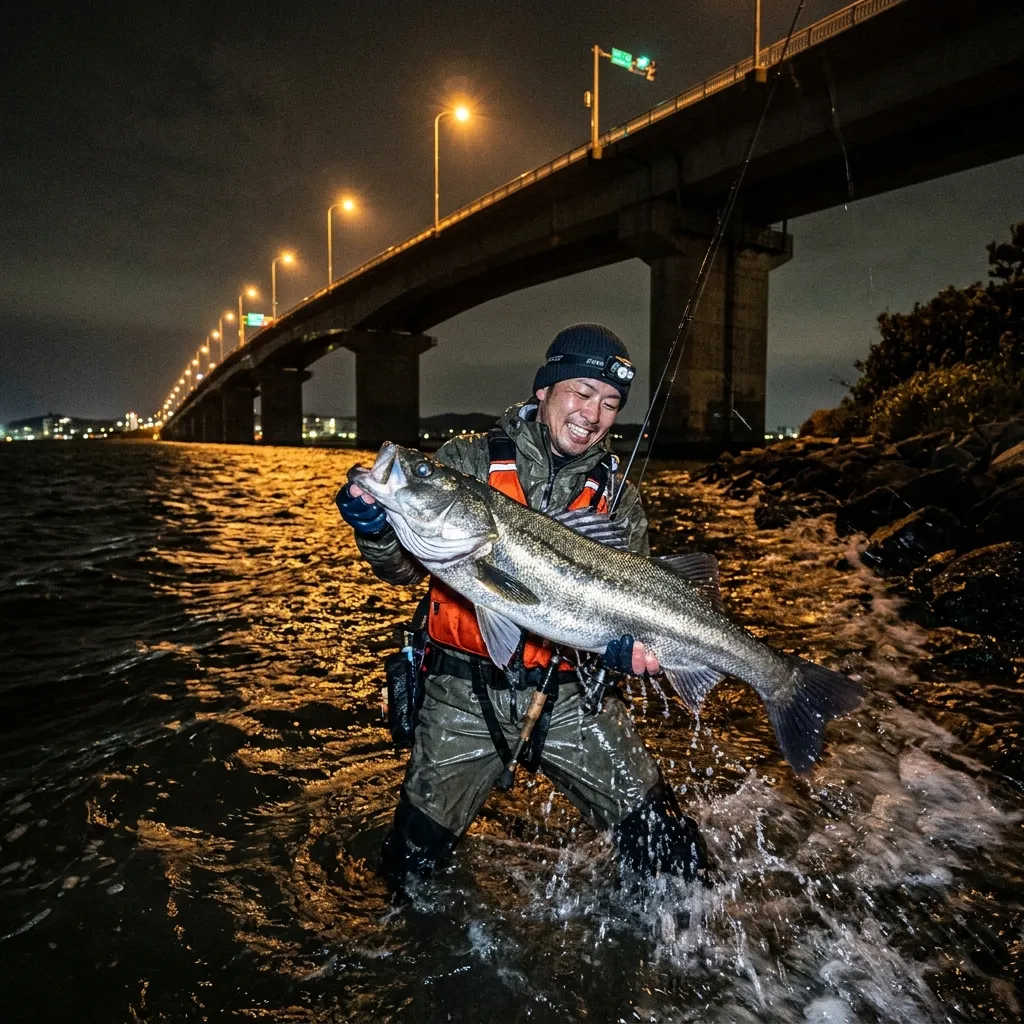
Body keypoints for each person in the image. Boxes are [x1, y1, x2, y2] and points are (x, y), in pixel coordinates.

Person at [337, 323, 707, 893]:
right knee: (406, 876)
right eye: (582, 392)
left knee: (674, 858)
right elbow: (402, 569)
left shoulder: (620, 499)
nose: (594, 414)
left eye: (610, 403)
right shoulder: (465, 460)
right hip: (461, 697)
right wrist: (376, 530)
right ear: (545, 390)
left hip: (572, 700)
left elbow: (636, 610)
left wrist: (624, 654)